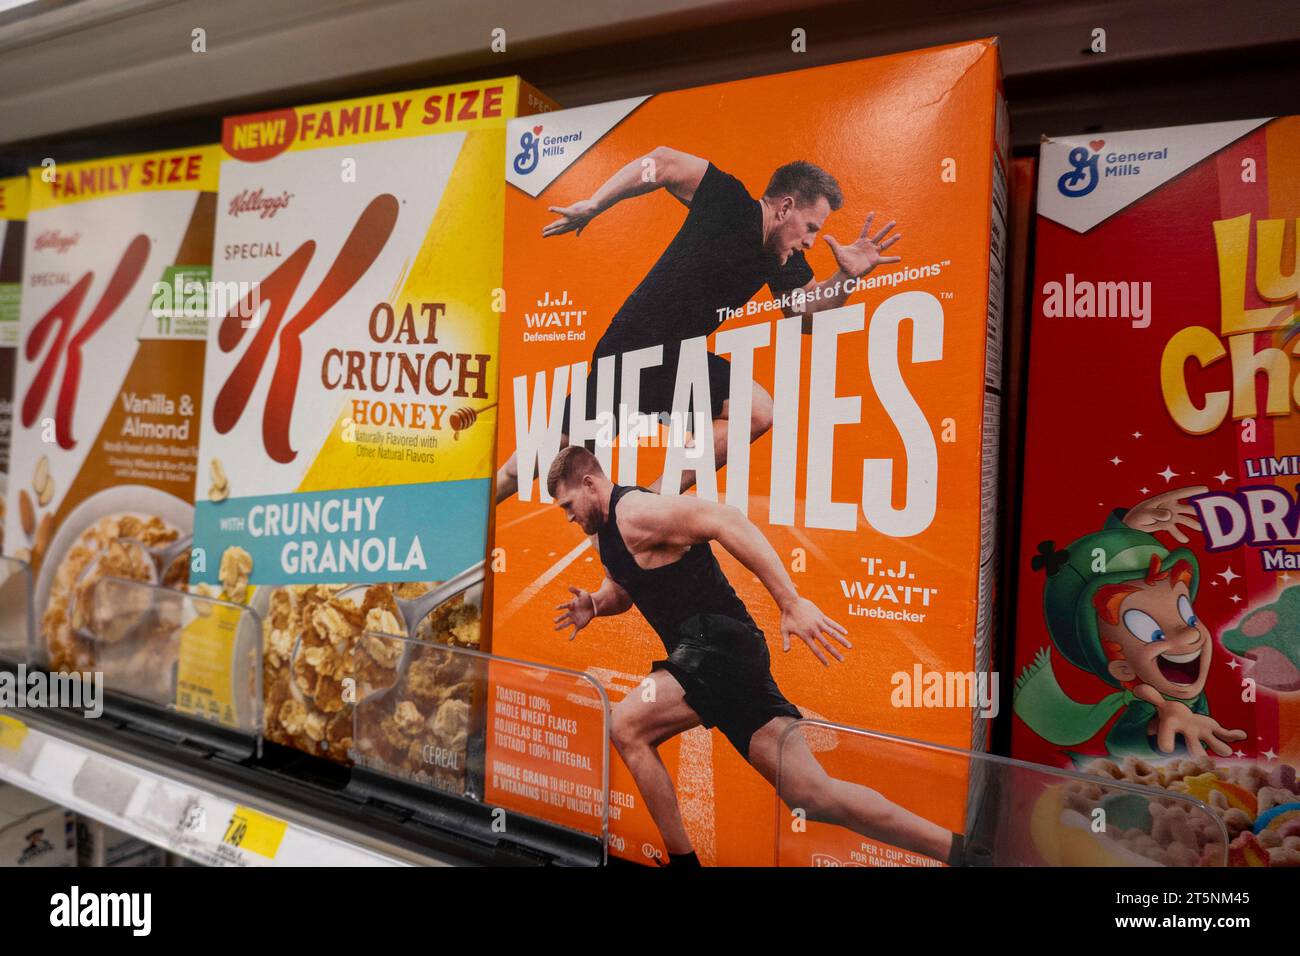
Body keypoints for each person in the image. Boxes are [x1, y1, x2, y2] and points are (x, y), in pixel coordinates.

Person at [546, 445, 959, 866]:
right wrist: (596, 604)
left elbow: (725, 520)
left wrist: (790, 601)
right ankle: (963, 850)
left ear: (589, 483)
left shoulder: (636, 511)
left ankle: (683, 864)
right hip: (723, 660)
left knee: (627, 726)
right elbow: (625, 589)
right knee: (812, 796)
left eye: (567, 504)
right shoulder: (604, 536)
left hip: (718, 644)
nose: (568, 516)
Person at [495, 148, 901, 502]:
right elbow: (665, 162)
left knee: (756, 411)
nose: (811, 241)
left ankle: (651, 501)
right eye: (811, 227)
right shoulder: (729, 202)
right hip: (629, 353)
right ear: (785, 207)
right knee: (527, 466)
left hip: (676, 362)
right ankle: (466, 514)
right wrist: (595, 203)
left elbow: (807, 317)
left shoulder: (781, 258)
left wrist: (847, 278)